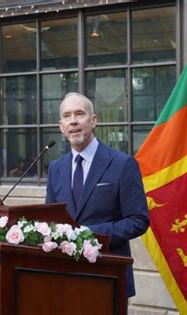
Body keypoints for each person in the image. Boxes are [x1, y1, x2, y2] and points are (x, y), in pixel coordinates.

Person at [46, 92, 149, 298]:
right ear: (61, 126)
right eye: (67, 116)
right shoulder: (55, 168)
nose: (73, 121)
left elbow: (139, 220)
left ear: (93, 121)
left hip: (108, 275)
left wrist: (89, 234)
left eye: (79, 114)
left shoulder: (122, 164)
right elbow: (50, 220)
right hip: (64, 278)